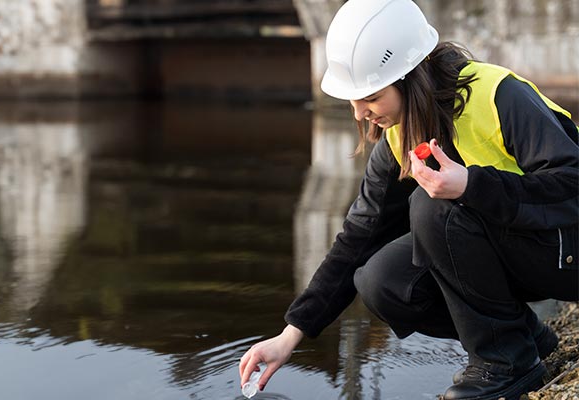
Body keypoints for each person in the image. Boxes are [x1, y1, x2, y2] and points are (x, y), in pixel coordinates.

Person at [238, 0, 579, 399]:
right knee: (380, 281)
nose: (360, 112)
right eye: (353, 99)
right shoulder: (399, 137)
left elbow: (572, 183)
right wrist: (290, 334)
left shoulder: (499, 97)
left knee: (432, 208)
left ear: (409, 76)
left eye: (371, 96)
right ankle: (522, 341)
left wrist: (471, 186)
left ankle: (505, 365)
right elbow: (358, 236)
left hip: (566, 253)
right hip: (524, 255)